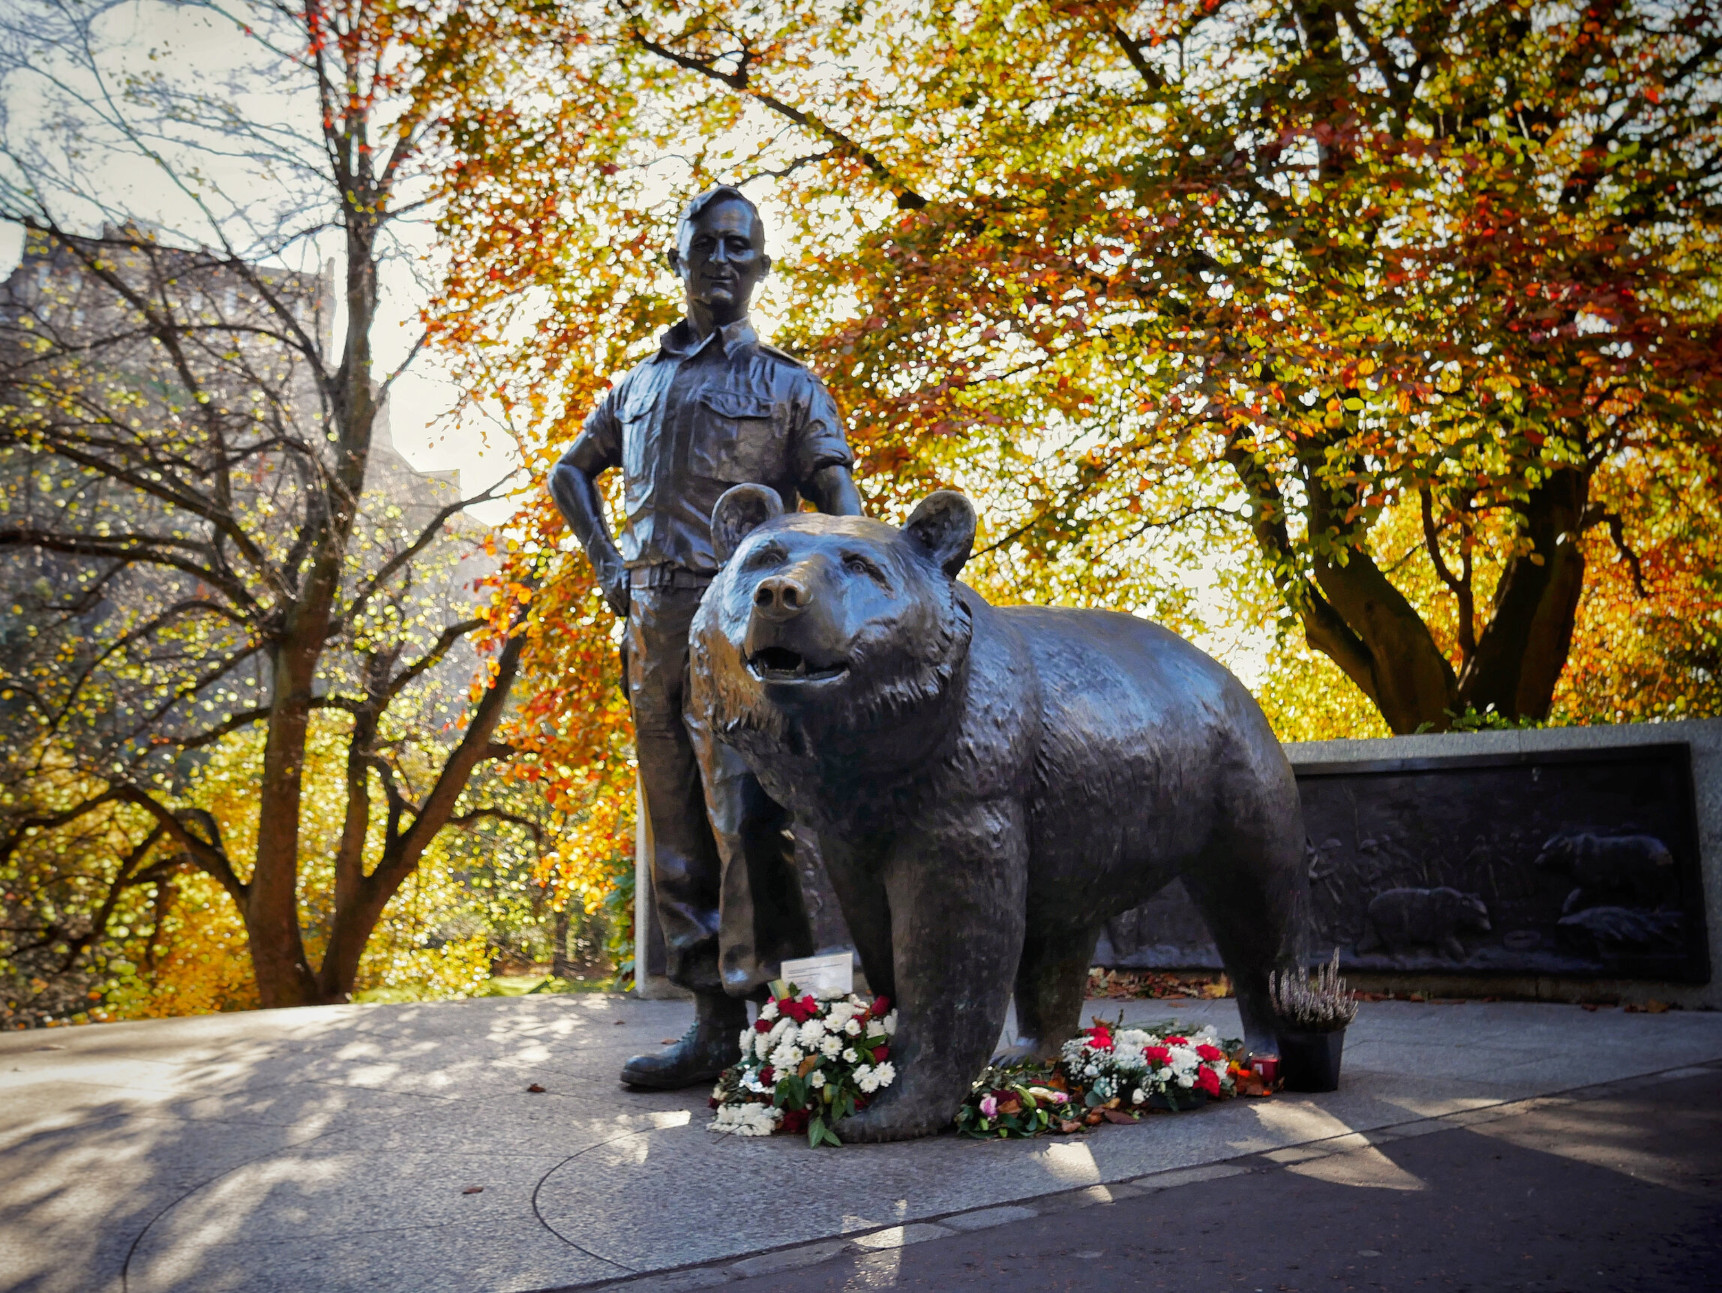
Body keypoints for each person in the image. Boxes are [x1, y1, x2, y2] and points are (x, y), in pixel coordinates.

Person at [549, 185, 863, 1088]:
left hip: (742, 624)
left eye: (738, 248)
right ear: (677, 262)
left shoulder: (790, 385)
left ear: (761, 266)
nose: (720, 262)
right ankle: (714, 1025)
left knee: (757, 823)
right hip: (650, 622)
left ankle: (811, 1022)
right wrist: (607, 562)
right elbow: (571, 472)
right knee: (677, 826)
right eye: (705, 248)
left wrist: (855, 593)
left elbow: (840, 507)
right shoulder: (635, 385)